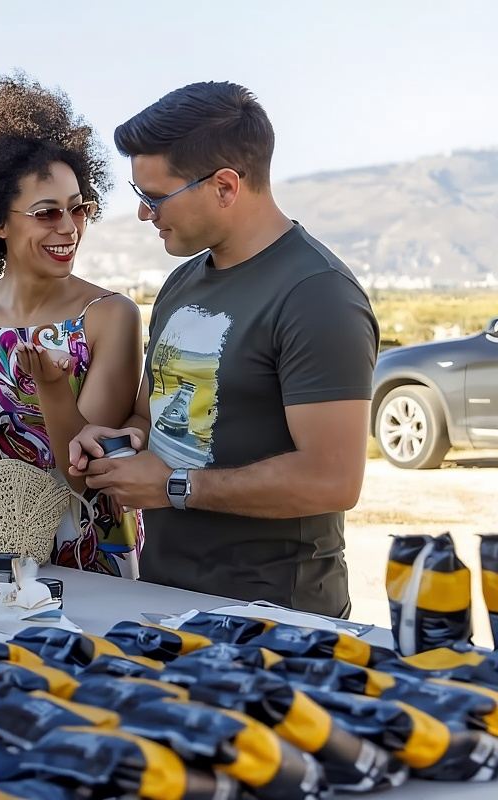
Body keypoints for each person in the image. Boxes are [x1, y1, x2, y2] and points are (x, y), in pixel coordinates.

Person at [68, 81, 379, 617]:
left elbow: (332, 479)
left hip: (276, 617)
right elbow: (151, 411)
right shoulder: (182, 282)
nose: (144, 214)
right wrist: (123, 439)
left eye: (155, 197)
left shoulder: (318, 295)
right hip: (163, 596)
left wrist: (173, 487)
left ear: (226, 187)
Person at [0, 73, 144, 577]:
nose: (69, 228)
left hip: (94, 555)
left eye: (80, 208)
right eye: (47, 213)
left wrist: (52, 389)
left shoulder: (110, 316)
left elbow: (81, 480)